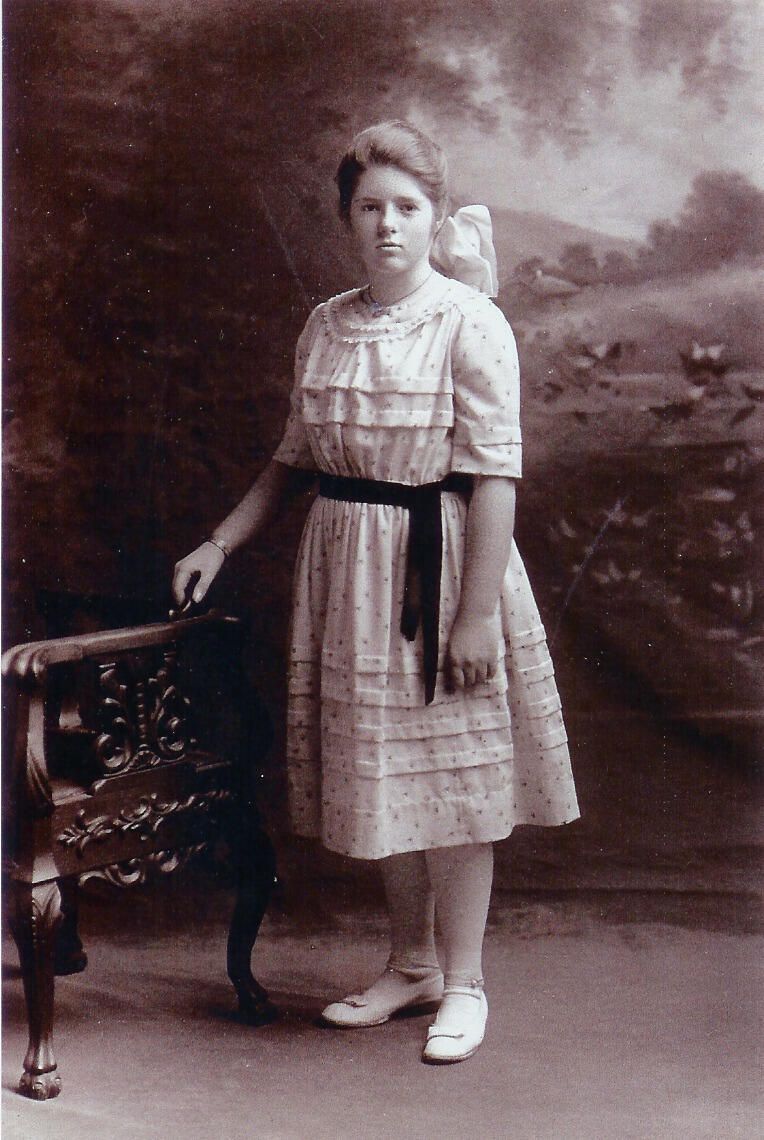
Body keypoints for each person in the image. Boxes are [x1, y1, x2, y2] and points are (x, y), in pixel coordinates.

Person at [172, 120, 579, 1064]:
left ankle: (465, 982)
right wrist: (219, 542)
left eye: (407, 207)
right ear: (346, 219)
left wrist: (473, 618)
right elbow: (294, 458)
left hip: (445, 569)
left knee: (455, 780)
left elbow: (496, 478)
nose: (388, 225)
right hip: (349, 579)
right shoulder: (326, 324)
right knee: (390, 773)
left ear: (436, 217)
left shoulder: (470, 320)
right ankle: (413, 964)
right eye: (370, 208)